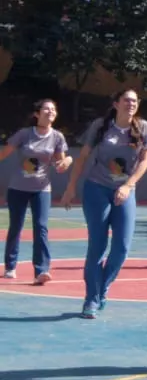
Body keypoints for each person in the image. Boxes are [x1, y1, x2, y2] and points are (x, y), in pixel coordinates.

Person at [60, 89, 147, 319]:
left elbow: (144, 162)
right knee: (97, 246)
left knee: (122, 247)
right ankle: (91, 299)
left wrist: (128, 185)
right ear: (116, 104)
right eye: (126, 100)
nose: (131, 104)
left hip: (125, 191)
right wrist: (71, 187)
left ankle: (102, 287)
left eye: (134, 101)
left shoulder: (143, 128)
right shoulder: (101, 126)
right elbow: (83, 158)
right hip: (97, 189)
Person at [2, 99, 72, 283]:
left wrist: (66, 162)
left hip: (42, 189)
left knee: (41, 227)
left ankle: (41, 270)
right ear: (37, 114)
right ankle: (10, 266)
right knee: (16, 226)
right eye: (46, 109)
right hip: (18, 188)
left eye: (53, 109)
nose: (51, 112)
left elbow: (59, 164)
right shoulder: (24, 134)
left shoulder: (57, 137)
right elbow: (4, 153)